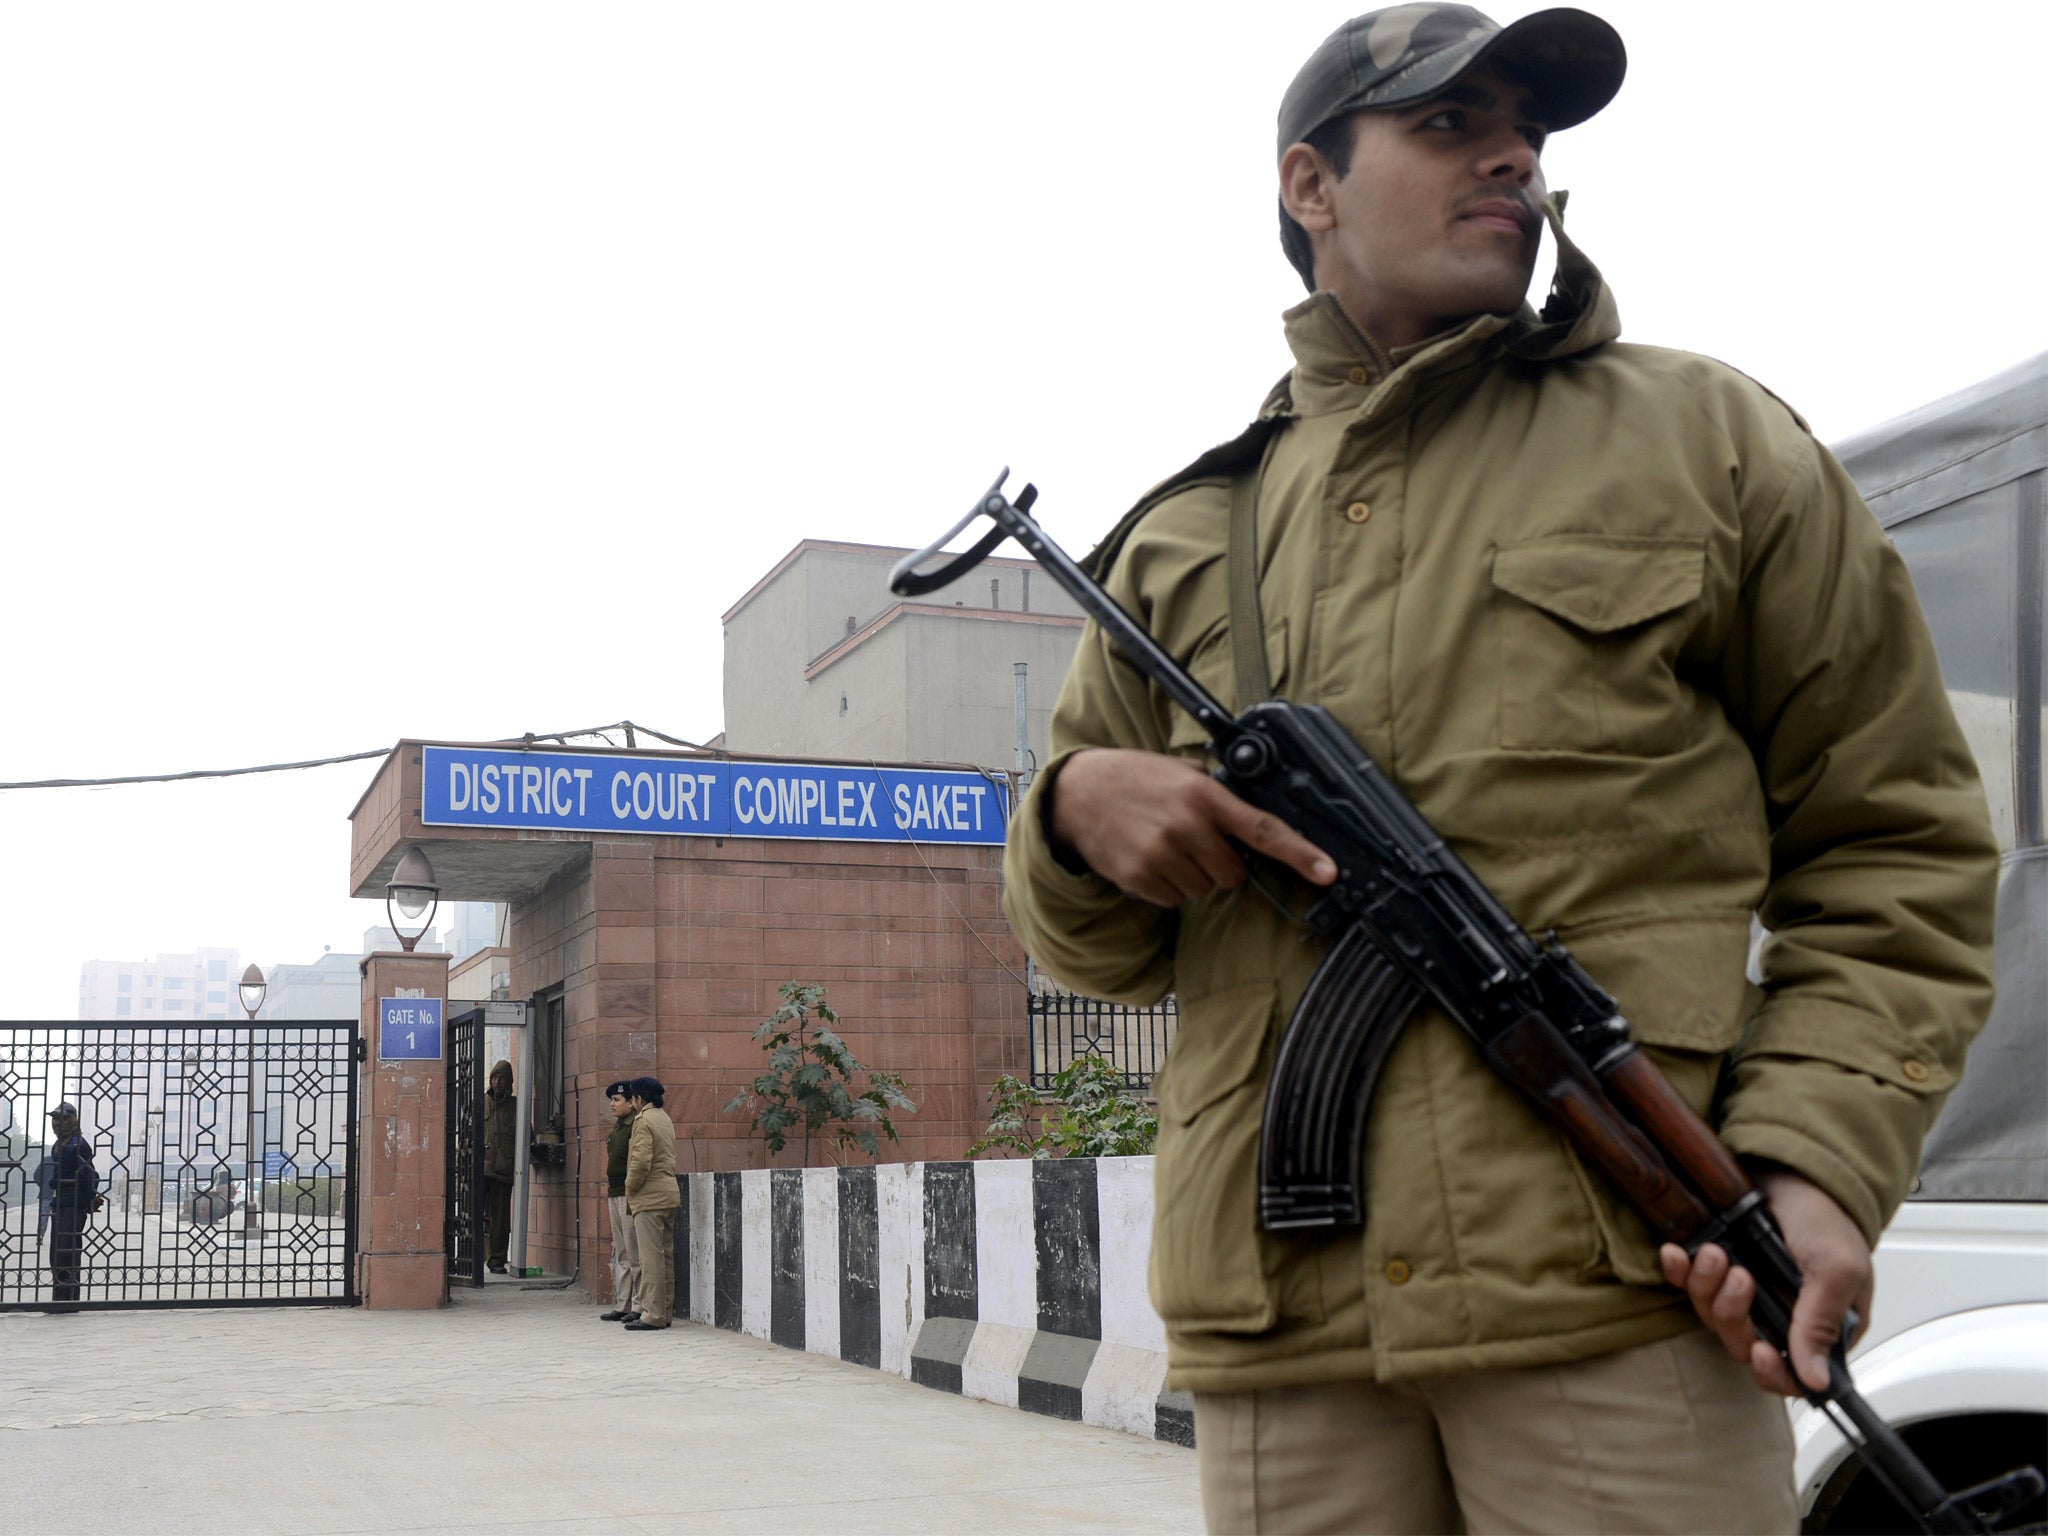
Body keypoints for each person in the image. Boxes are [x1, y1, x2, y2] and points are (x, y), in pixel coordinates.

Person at [1000, 7, 2001, 1532]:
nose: (1512, 156)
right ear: (1309, 187)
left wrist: (1817, 1159)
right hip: (1291, 1337)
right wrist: (1075, 818)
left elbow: (1896, 844)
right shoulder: (1187, 537)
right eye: (1448, 123)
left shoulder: (1702, 440)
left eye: (1524, 126)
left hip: (1621, 1289)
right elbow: (1098, 950)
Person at [621, 1076, 678, 1332]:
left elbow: (641, 1161)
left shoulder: (643, 1121)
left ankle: (652, 1314)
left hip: (650, 1197)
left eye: (632, 1098)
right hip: (668, 1194)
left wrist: (629, 1186)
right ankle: (663, 1311)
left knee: (650, 1259)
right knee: (664, 1258)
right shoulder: (664, 1118)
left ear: (639, 1099)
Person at [45, 1103, 102, 1311]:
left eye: (63, 1118)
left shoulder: (79, 1144)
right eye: (55, 1119)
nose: (58, 1123)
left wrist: (90, 1199)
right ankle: (59, 1297)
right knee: (57, 1252)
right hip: (59, 1202)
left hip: (73, 1203)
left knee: (69, 1250)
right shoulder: (59, 1143)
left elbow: (88, 1174)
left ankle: (69, 1299)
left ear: (74, 1118)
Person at [598, 1079, 644, 1324]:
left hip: (628, 1192)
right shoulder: (618, 1127)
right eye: (611, 1101)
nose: (612, 1105)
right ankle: (623, 1304)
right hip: (614, 1191)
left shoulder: (635, 1125)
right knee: (623, 1252)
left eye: (617, 1100)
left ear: (630, 1101)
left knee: (634, 1252)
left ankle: (638, 1304)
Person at [482, 1060, 517, 1275]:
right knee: (472, 1215)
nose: (498, 1082)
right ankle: (470, 1258)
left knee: (500, 1219)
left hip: (504, 1170)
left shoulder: (515, 1106)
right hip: (480, 1169)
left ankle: (497, 1260)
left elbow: (526, 1135)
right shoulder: (481, 1103)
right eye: (495, 1077)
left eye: (502, 1078)